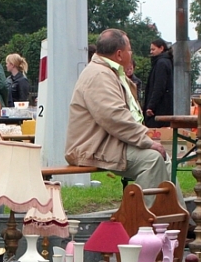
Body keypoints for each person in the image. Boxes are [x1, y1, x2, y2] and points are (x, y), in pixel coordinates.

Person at [65, 28, 181, 204]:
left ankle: (178, 219)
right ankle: (144, 221)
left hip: (109, 143)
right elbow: (114, 117)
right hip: (93, 147)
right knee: (152, 160)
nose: (131, 53)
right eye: (129, 49)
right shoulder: (99, 75)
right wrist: (146, 140)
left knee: (164, 159)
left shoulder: (108, 72)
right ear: (119, 54)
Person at [143, 38, 174, 128]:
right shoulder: (167, 62)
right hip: (165, 107)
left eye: (153, 49)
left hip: (159, 109)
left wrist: (151, 105)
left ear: (161, 48)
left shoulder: (161, 63)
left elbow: (159, 86)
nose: (151, 52)